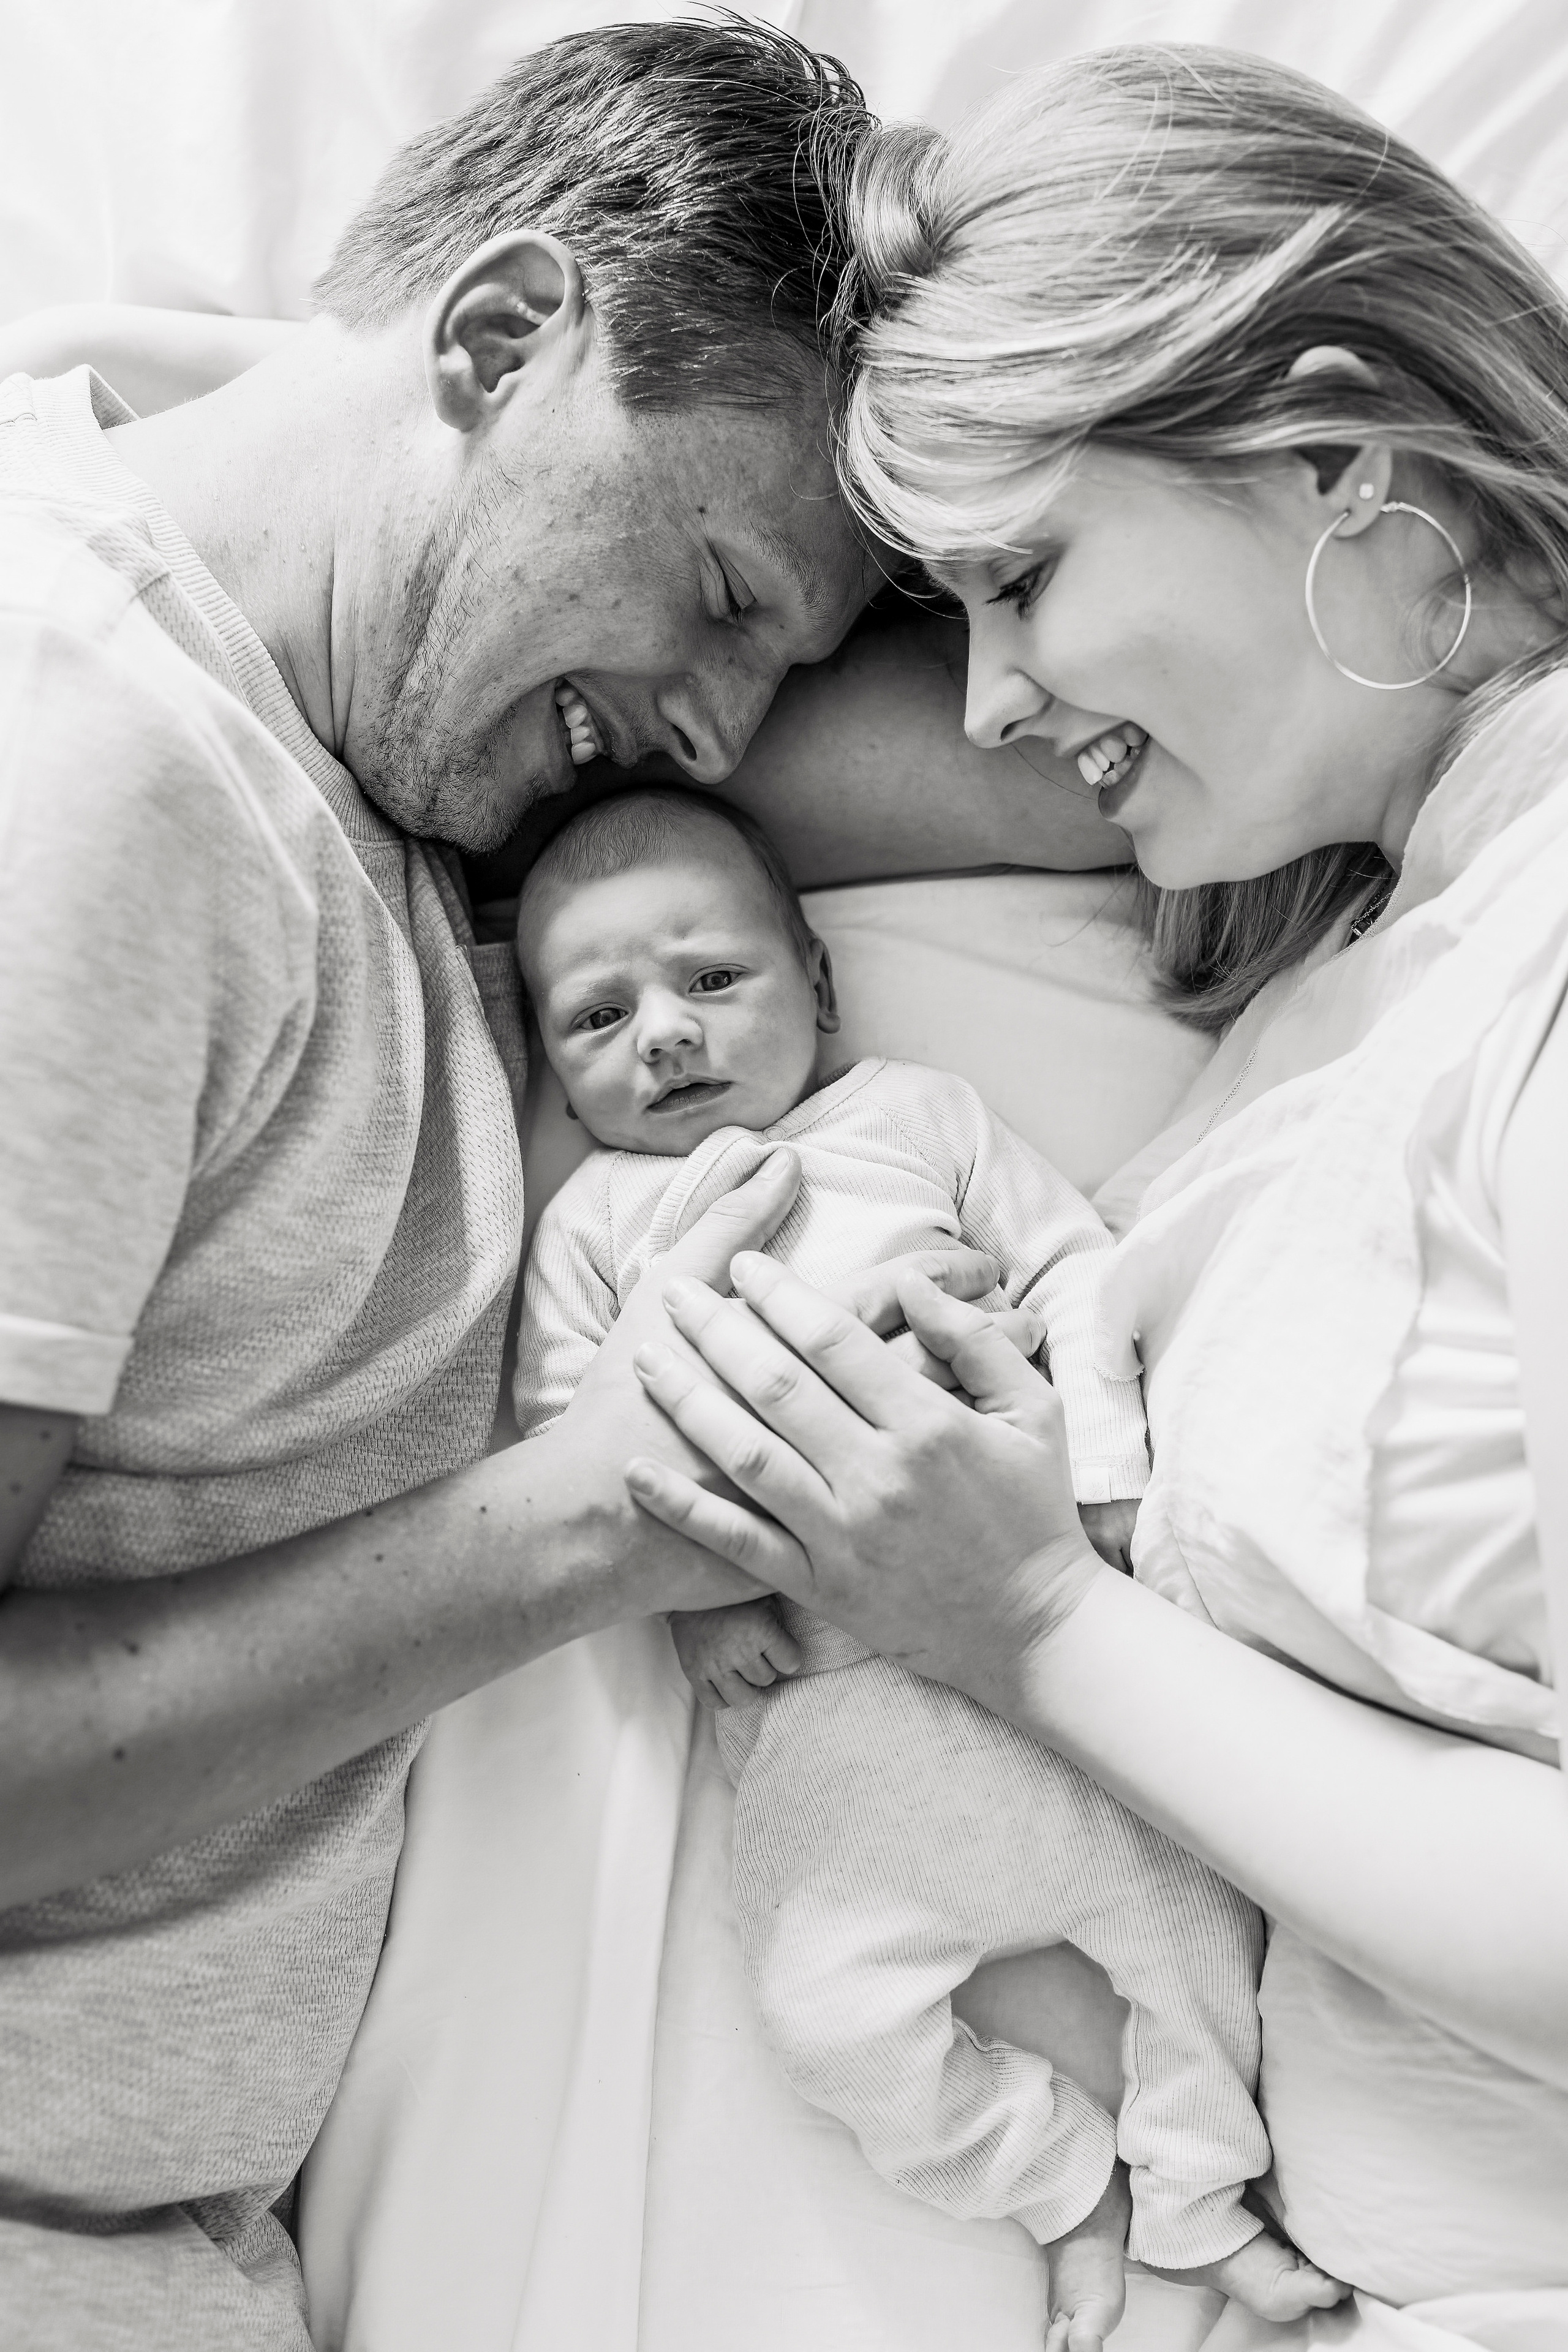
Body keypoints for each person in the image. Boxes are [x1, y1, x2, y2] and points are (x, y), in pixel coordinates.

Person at [0, 22, 1080, 2347]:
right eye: (713, 592)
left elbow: (1116, 765)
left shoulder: (400, 776)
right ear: (496, 336)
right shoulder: (84, 776)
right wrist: (614, 1505)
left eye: (774, 664)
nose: (722, 728)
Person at [620, 45, 1568, 2339]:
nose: (997, 698)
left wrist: (1039, 1621)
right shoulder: (1356, 954)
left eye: (1018, 579)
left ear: (1340, 454)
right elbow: (655, 754)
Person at [510, 781, 1348, 2346]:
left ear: (817, 981)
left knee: (1202, 1941)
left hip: (1055, 1689)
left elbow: (1069, 1267)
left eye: (710, 980)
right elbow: (575, 1444)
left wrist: (1092, 1474)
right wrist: (684, 1598)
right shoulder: (594, 1224)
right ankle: (1054, 2188)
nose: (667, 1039)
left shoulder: (912, 1118)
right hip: (832, 1736)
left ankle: (1197, 2191)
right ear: (555, 1072)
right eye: (597, 1018)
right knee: (822, 2017)